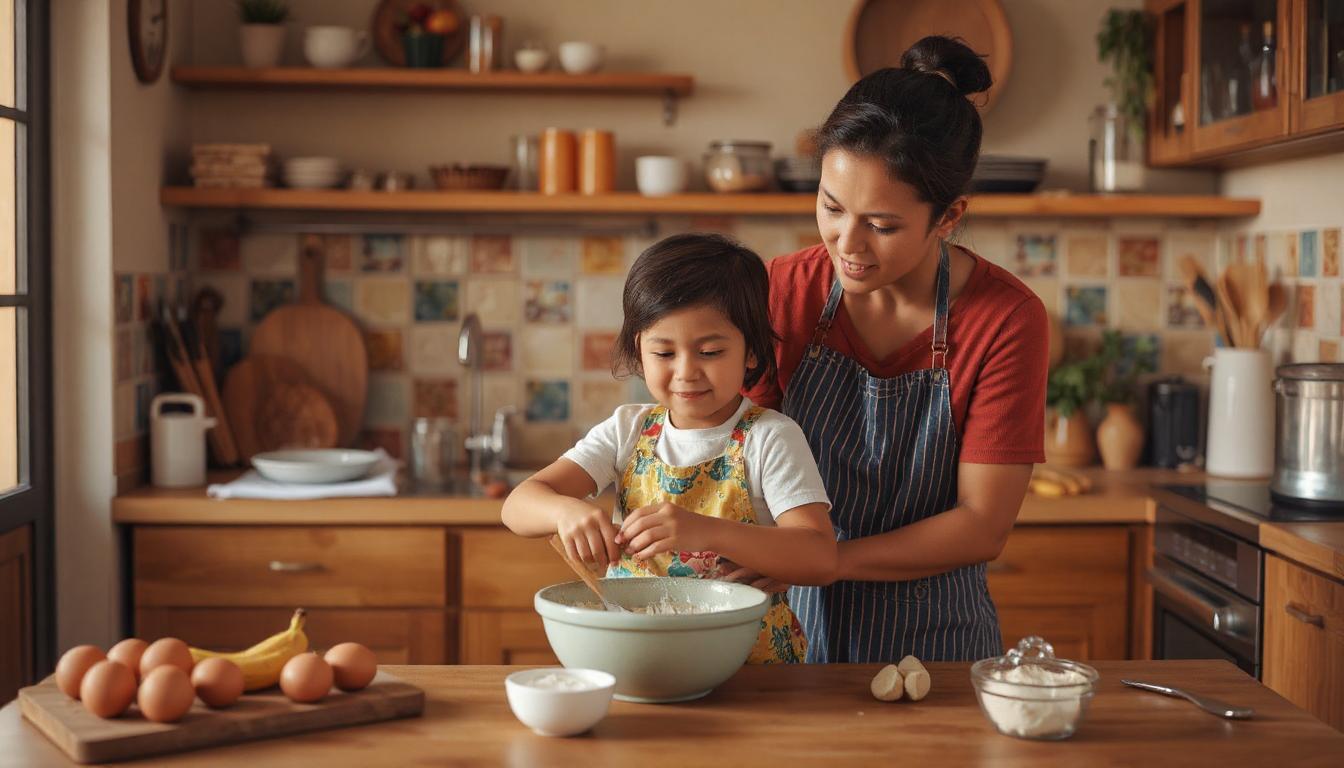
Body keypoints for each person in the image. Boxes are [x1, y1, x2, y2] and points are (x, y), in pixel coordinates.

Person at [736, 36, 1049, 662]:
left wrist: (826, 561)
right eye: (831, 207)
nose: (846, 243)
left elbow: (982, 525)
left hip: (938, 644)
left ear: (948, 216)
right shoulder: (783, 292)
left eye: (881, 225)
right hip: (784, 634)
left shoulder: (1006, 320)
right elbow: (739, 456)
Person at [502, 233, 837, 663]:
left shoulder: (770, 437)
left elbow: (820, 556)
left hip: (748, 667)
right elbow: (518, 504)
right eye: (663, 352)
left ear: (752, 351)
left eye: (710, 351)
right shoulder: (628, 429)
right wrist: (566, 511)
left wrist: (706, 530)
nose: (686, 372)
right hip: (638, 658)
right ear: (639, 353)